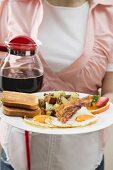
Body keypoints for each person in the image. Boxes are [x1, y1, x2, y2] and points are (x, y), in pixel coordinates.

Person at [0, 0, 113, 169]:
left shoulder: (108, 12)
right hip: (17, 154)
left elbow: (109, 92)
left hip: (83, 156)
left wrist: (103, 108)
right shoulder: (11, 5)